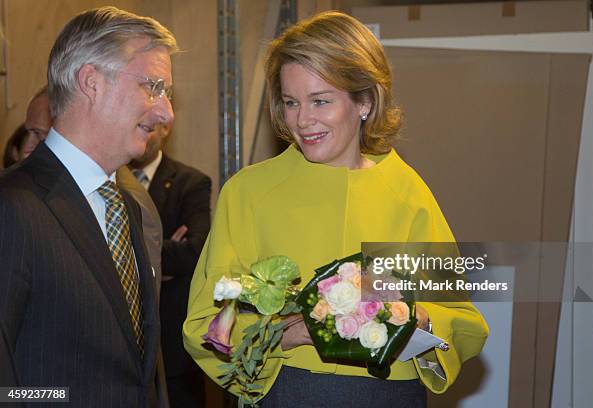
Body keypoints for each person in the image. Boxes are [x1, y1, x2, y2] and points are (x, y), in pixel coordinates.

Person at [184, 11, 488, 407]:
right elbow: (204, 325)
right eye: (291, 102)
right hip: (286, 390)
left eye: (320, 101)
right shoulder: (249, 192)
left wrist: (411, 317)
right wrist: (288, 332)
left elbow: (461, 321)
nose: (302, 120)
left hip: (388, 394)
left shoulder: (405, 193)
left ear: (364, 100)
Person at [0, 7, 177, 407]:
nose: (166, 111)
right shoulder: (12, 207)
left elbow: (143, 368)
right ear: (91, 82)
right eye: (153, 86)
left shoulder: (130, 207)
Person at [130, 123, 211, 408]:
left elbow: (196, 251)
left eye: (150, 126)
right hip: (124, 342)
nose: (145, 133)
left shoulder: (191, 183)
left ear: (165, 129)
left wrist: (129, 257)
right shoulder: (108, 179)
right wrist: (164, 251)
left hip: (173, 346)